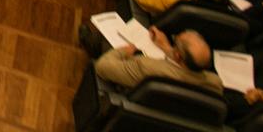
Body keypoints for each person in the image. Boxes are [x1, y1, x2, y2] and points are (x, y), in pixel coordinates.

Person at [94, 25, 223, 93]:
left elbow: (102, 67)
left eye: (175, 41)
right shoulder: (215, 84)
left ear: (178, 55)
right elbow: (182, 69)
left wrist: (124, 51)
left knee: (104, 45)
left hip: (129, 91)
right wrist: (166, 47)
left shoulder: (147, 68)